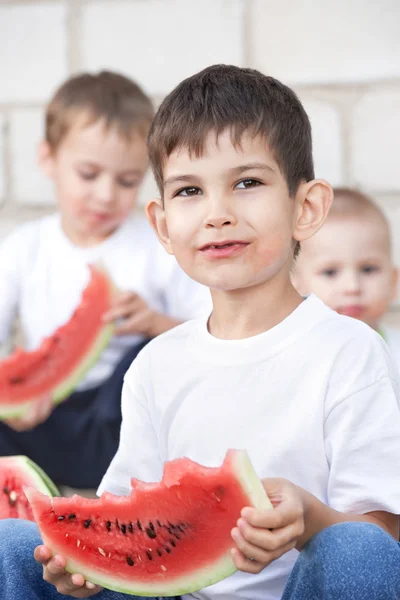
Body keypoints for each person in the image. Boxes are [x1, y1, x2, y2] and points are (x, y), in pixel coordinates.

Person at [1, 65, 400, 600]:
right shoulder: (154, 366)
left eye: (247, 183)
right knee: (10, 544)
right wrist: (81, 569)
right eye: (189, 191)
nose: (217, 213)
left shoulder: (350, 351)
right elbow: (121, 525)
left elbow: (386, 538)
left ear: (306, 208)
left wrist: (309, 518)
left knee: (359, 551)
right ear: (163, 225)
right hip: (170, 593)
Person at [0, 71, 210, 489]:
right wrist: (13, 396)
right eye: (89, 174)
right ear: (48, 160)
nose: (105, 194)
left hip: (120, 428)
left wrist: (155, 324)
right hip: (41, 419)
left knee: (146, 357)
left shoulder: (158, 246)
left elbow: (211, 333)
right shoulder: (23, 247)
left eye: (127, 181)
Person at [293, 187, 400, 360]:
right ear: (294, 285)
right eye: (330, 272)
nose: (352, 286)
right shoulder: (294, 358)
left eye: (368, 269)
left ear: (393, 281)